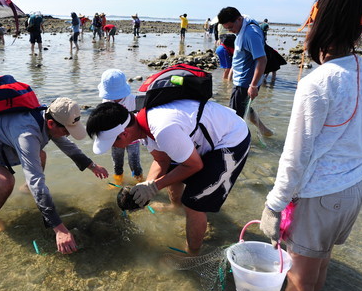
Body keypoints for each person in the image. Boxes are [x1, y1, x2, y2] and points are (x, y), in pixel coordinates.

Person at [258, 0, 362, 291]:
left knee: (299, 280)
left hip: (321, 195)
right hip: (354, 187)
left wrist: (274, 204)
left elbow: (295, 157)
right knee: (318, 264)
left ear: (320, 22)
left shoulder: (318, 83)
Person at [86, 99, 250, 255]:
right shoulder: (140, 124)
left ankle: (192, 253)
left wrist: (154, 187)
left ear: (123, 134)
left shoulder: (162, 129)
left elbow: (194, 165)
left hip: (230, 138)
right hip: (205, 135)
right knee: (173, 168)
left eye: (112, 143)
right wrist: (146, 185)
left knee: (193, 203)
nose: (113, 147)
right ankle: (175, 206)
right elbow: (162, 159)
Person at [0, 97, 109, 254]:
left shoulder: (49, 116)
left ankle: (26, 189)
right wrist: (59, 228)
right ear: (51, 123)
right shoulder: (27, 135)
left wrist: (92, 166)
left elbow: (67, 145)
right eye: (66, 131)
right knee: (5, 182)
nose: (67, 135)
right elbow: (37, 181)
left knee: (41, 156)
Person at [217, 6, 273, 137]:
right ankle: (264, 130)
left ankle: (237, 141)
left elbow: (262, 59)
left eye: (231, 27)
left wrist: (253, 85)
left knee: (235, 116)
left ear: (239, 19)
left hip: (245, 82)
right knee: (243, 107)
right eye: (227, 29)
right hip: (242, 79)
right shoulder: (244, 23)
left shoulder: (250, 33)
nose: (231, 31)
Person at [97, 69, 143, 186]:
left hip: (132, 138)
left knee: (135, 163)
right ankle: (118, 181)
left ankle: (140, 182)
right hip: (115, 139)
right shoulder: (106, 101)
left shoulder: (132, 100)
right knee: (117, 162)